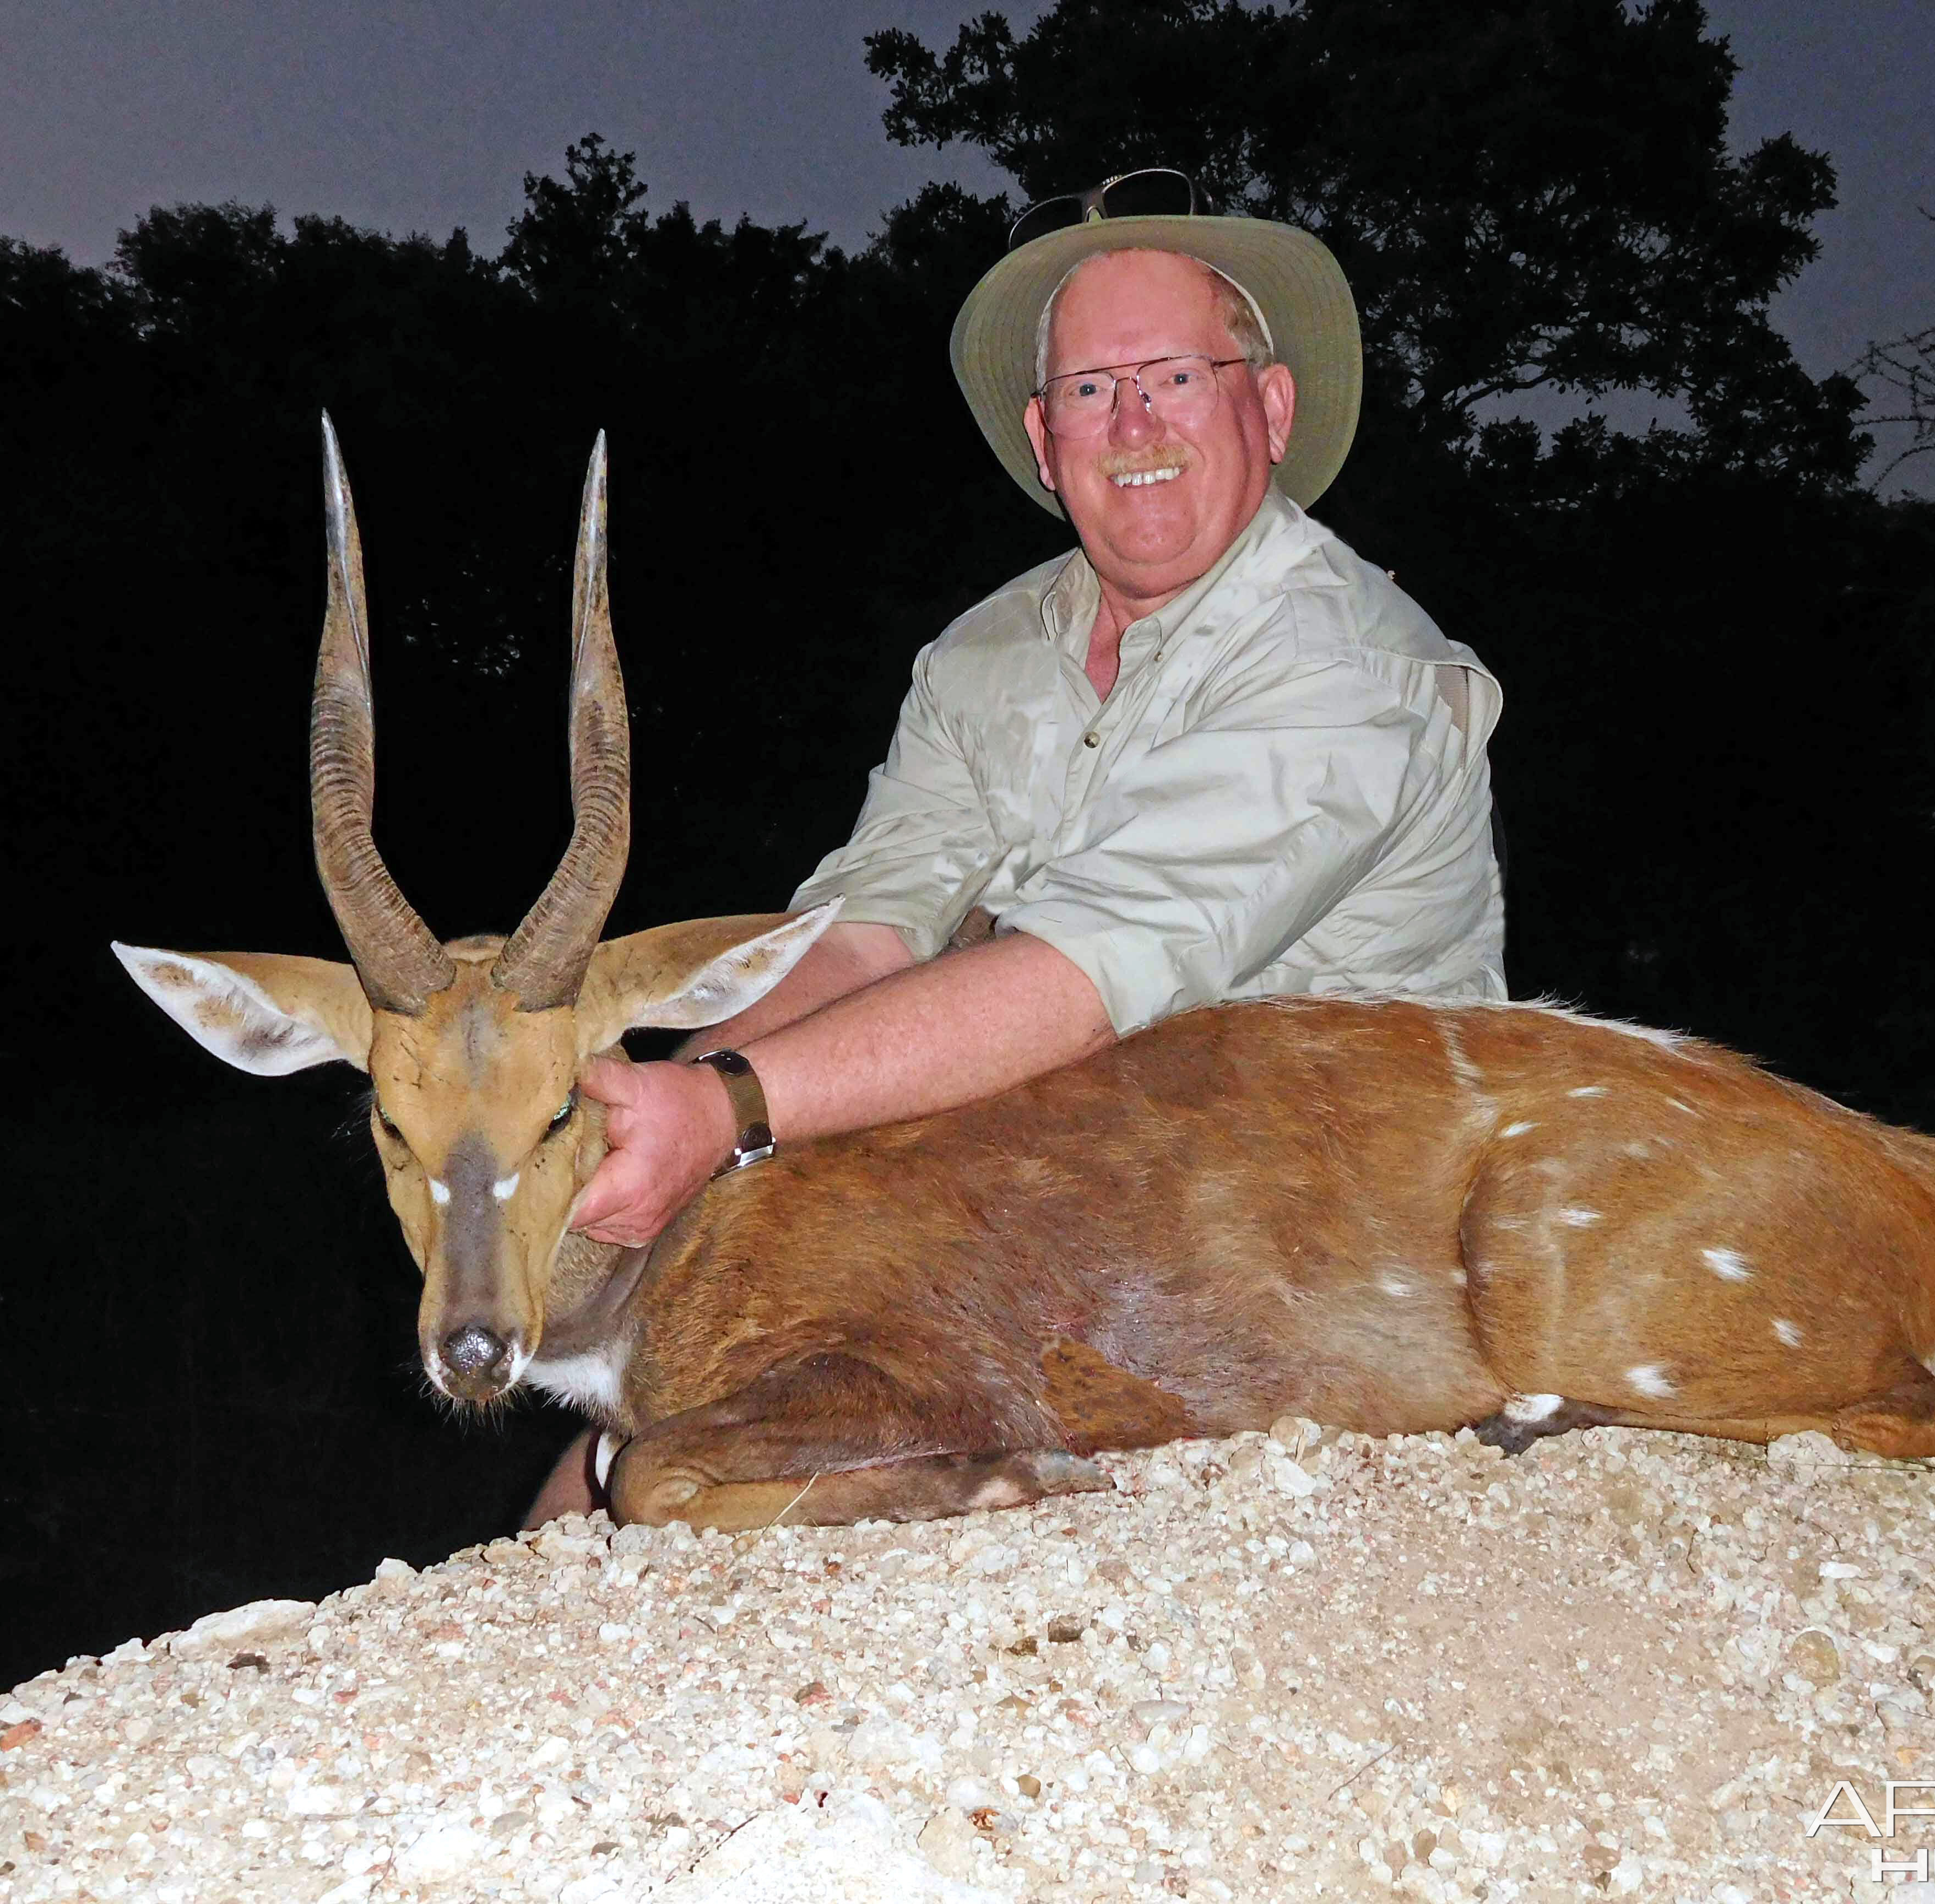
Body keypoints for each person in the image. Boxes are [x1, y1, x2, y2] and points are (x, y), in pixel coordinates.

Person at [527, 174, 1506, 1523]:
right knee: (614, 1473)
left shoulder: (1350, 662)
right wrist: (652, 1113)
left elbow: (1080, 981)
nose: (1137, 423)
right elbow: (869, 932)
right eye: (1093, 392)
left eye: (1175, 373)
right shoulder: (985, 654)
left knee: (679, 1462)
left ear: (1267, 408)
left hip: (1337, 1236)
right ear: (1046, 441)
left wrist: (733, 1114)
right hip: (1073, 1193)